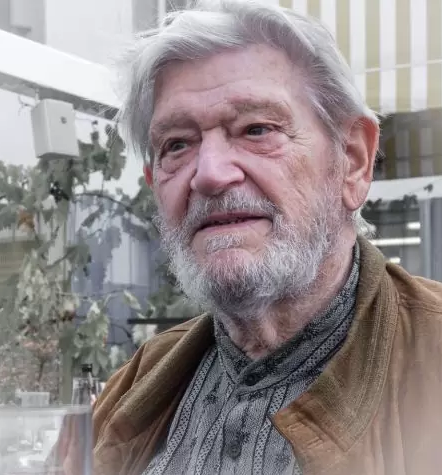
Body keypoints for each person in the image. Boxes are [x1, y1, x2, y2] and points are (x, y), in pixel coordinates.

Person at [90, 1, 442, 474]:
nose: (209, 174)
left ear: (354, 160)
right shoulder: (131, 390)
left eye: (256, 129)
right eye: (177, 144)